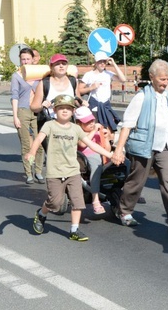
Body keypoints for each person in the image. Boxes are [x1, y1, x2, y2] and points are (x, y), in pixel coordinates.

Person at [110, 60, 168, 233]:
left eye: (167, 79)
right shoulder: (142, 96)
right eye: (162, 79)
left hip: (166, 146)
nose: (165, 83)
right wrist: (119, 149)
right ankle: (124, 211)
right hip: (144, 146)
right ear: (152, 77)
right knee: (136, 181)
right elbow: (128, 124)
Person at [26, 94, 114, 241]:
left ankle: (74, 230)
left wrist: (111, 155)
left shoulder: (76, 129)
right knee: (55, 203)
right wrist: (31, 153)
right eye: (61, 108)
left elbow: (91, 145)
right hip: (55, 171)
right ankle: (41, 214)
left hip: (73, 171)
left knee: (77, 202)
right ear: (55, 110)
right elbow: (39, 139)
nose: (65, 111)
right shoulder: (50, 125)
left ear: (73, 111)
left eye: (68, 108)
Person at [10, 47, 44, 184]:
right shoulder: (16, 76)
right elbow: (15, 96)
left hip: (37, 111)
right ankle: (29, 173)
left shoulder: (39, 75)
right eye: (23, 59)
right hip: (22, 111)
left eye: (28, 59)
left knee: (39, 143)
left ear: (32, 59)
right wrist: (15, 116)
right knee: (26, 144)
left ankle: (39, 171)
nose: (25, 61)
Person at [75, 106, 112, 215]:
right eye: (87, 122)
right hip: (87, 158)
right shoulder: (78, 132)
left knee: (126, 163)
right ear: (79, 123)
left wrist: (106, 138)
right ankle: (95, 200)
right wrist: (95, 130)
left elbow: (107, 149)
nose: (91, 123)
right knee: (96, 164)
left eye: (92, 120)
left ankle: (128, 193)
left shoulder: (97, 132)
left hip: (103, 157)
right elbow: (82, 144)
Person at [30, 53, 81, 131]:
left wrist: (81, 103)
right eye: (57, 64)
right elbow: (34, 107)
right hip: (50, 123)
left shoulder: (73, 81)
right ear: (51, 67)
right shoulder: (44, 83)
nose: (61, 66)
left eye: (64, 64)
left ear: (67, 66)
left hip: (69, 123)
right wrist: (42, 106)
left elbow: (77, 100)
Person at [78, 51, 126, 132]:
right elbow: (79, 90)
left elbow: (123, 80)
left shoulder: (108, 73)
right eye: (100, 61)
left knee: (110, 131)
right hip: (94, 106)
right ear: (96, 63)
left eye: (104, 61)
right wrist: (91, 87)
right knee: (95, 130)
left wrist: (113, 63)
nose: (102, 64)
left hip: (106, 105)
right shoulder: (89, 75)